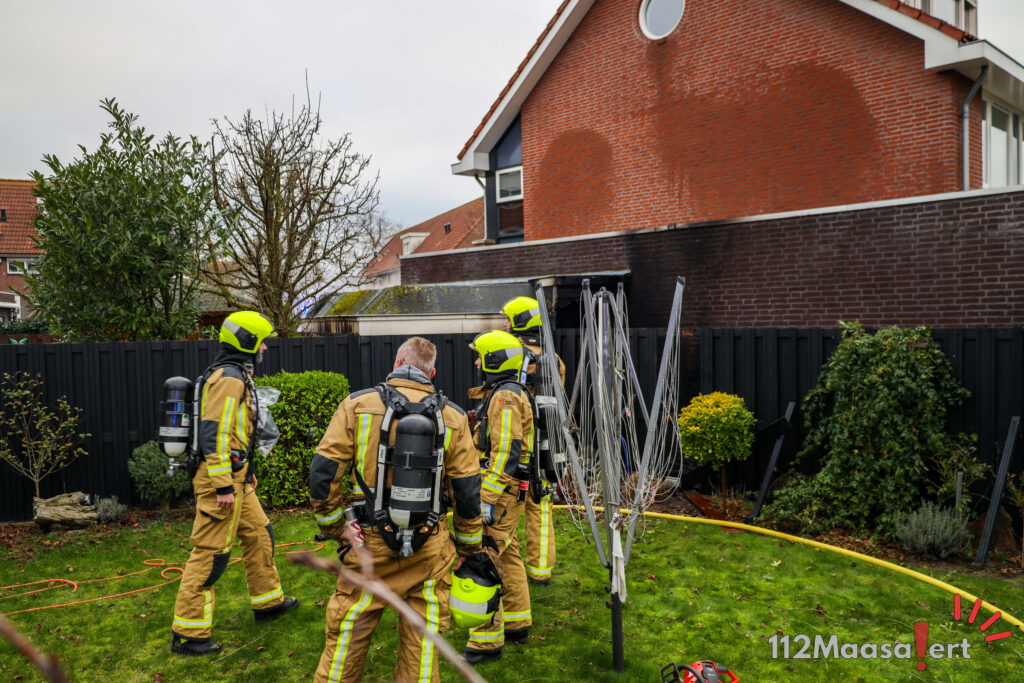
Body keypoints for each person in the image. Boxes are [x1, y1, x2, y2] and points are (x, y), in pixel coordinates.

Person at [310, 336, 491, 683]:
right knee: (422, 642)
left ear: (396, 364)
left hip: (369, 546)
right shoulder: (453, 416)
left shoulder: (356, 405)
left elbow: (322, 474)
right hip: (429, 545)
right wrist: (469, 546)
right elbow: (468, 490)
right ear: (433, 372)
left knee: (348, 630)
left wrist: (336, 527)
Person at [170, 310, 298, 656]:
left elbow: (238, 430)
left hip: (237, 476)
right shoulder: (229, 378)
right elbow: (215, 433)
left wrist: (246, 470)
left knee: (260, 534)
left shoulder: (237, 374)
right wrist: (224, 485)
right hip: (220, 483)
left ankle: (268, 603)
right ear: (247, 343)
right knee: (210, 555)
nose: (267, 347)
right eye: (262, 341)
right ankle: (188, 633)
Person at [464, 329, 535, 664]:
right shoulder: (509, 391)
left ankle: (486, 642)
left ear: (494, 360)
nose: (477, 361)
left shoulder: (505, 397)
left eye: (480, 356)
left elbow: (506, 449)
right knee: (509, 554)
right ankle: (518, 623)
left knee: (486, 557)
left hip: (501, 492)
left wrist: (486, 498)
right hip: (512, 490)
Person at [500, 296, 565, 586]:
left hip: (519, 437)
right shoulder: (555, 360)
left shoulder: (514, 356)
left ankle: (503, 560)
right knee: (541, 503)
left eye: (508, 320)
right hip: (548, 440)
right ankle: (540, 570)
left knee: (508, 501)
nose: (505, 324)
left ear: (519, 322)